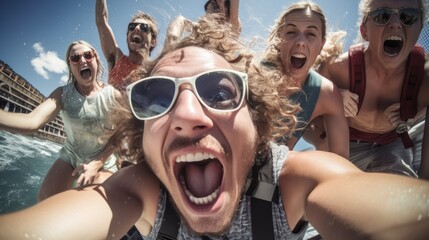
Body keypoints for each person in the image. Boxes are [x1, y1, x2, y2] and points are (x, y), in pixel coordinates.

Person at [1, 15, 429, 240]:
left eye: (221, 92)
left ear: (257, 121)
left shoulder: (296, 180)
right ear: (142, 141)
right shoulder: (140, 190)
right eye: (156, 97)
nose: (188, 114)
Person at [311, 0, 429, 179]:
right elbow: (306, 105)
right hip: (349, 144)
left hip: (393, 143)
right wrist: (334, 96)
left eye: (408, 17)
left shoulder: (424, 76)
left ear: (420, 27)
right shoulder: (339, 69)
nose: (396, 24)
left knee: (401, 196)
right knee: (341, 192)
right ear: (364, 31)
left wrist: (410, 110)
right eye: (382, 16)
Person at [0, 40, 126, 201]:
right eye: (75, 58)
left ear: (96, 59)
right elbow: (32, 121)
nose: (82, 60)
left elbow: (122, 134)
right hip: (71, 156)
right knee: (45, 200)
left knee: (93, 202)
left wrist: (97, 162)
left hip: (103, 160)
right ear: (70, 66)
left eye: (88, 55)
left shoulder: (113, 95)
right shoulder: (62, 94)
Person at [262, 1, 349, 158]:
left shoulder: (326, 93)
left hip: (275, 172)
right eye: (291, 32)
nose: (301, 41)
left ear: (321, 44)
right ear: (279, 38)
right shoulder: (255, 76)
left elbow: (341, 160)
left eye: (311, 34)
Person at [95, 0, 158, 91]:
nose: (136, 28)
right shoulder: (117, 59)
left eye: (144, 27)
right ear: (127, 37)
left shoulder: (155, 71)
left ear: (153, 41)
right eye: (132, 26)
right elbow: (101, 21)